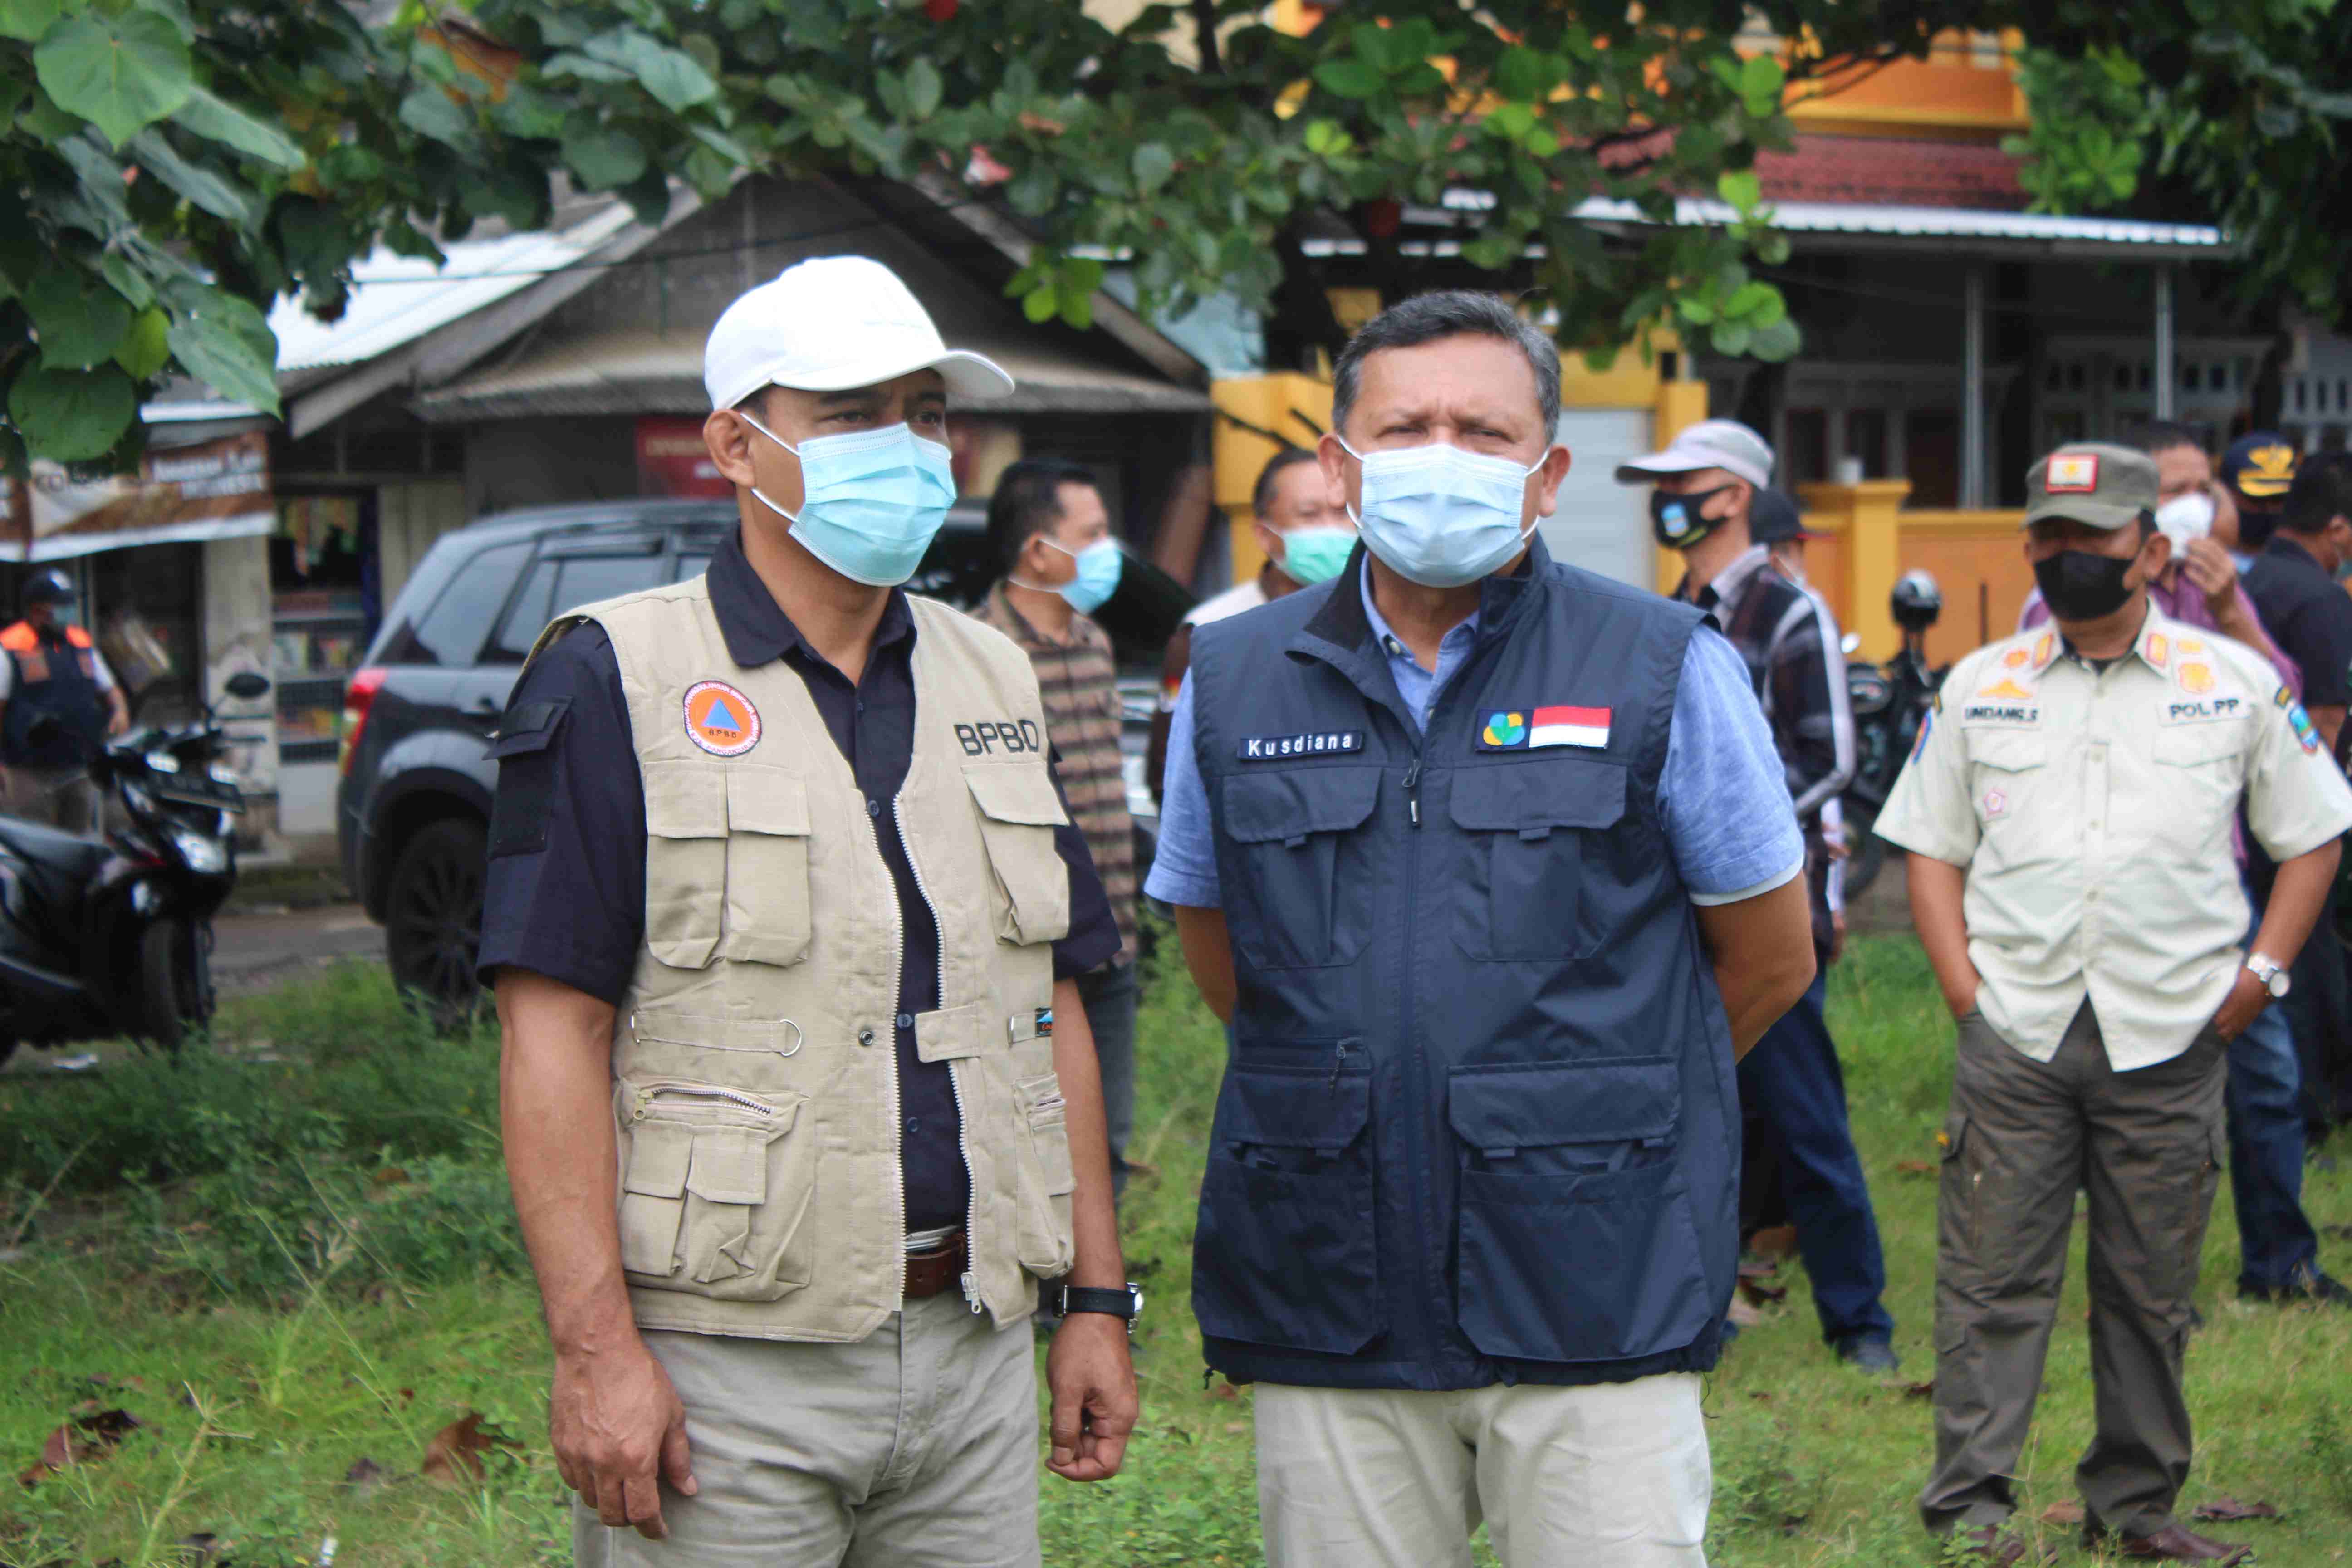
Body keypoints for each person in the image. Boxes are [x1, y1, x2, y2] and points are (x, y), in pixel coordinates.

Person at [480, 255, 1138, 1564]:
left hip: (973, 1346)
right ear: (736, 443)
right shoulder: (616, 675)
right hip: (730, 1373)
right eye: (852, 416)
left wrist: (1098, 1297)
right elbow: (553, 1034)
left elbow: (1049, 997)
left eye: (926, 412)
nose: (905, 447)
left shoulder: (991, 670)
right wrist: (597, 1352)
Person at [1147, 290, 1817, 1567]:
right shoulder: (1235, 679)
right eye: (1404, 428)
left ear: (1549, 472)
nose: (1443, 455)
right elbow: (1231, 959)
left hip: (1594, 1279)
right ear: (1342, 466)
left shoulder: (1663, 661)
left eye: (1484, 430)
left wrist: (1585, 1102)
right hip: (1329, 1281)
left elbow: (1771, 957)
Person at [1877, 441, 2352, 1567]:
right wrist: (1961, 990)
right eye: (2046, 536)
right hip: (2018, 1030)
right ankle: (1970, 1513)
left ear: (2147, 549)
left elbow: (2313, 832)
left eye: (2089, 538)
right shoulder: (1979, 681)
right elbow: (1930, 850)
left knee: (2149, 1285)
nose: (2063, 556)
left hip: (2173, 1031)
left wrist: (2260, 977)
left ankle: (2134, 1506)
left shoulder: (2230, 682)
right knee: (1990, 1277)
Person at [1618, 433, 1897, 1374]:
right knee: (1694, 1117)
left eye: (1679, 487)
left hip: (1772, 920)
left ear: (1733, 494)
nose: (1665, 502)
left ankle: (1860, 1324)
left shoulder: (1789, 611)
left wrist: (1711, 822)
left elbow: (1831, 760)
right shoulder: (1669, 616)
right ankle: (1701, 1313)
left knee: (1807, 1119)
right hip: (1676, 919)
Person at [974, 459, 1141, 1208]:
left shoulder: (1093, 642)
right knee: (1031, 1125)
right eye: (1094, 534)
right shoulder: (977, 653)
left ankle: (1101, 1297)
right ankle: (1041, 1296)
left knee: (1107, 1132)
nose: (1109, 550)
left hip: (1115, 937)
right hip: (1030, 952)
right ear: (1038, 550)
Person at [2242, 452, 2352, 1160]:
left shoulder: (2253, 582)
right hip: (2300, 820)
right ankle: (2316, 1109)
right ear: (2338, 528)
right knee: (2309, 964)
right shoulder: (2321, 600)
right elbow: (2326, 728)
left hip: (2242, 809)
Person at [1146, 446, 1356, 802]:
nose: (1332, 530)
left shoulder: (1387, 621)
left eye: (1342, 513)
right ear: (1264, 535)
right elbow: (1169, 775)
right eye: (1310, 514)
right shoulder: (1210, 632)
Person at [2020, 426, 2296, 686]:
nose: (2195, 505)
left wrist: (2230, 613)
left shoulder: (2206, 578)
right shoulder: (2080, 584)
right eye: (2176, 491)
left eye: (2203, 491)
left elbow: (2285, 693)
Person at [0, 568, 131, 833]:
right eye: (60, 606)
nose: (68, 611)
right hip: (28, 774)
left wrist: (120, 711)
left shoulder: (80, 643)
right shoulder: (10, 648)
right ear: (37, 610)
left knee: (78, 846)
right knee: (36, 844)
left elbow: (110, 689)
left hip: (78, 769)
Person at [2221, 431, 2298, 557]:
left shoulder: (2306, 567)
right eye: (2256, 499)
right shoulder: (2198, 565)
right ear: (2227, 494)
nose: (2269, 509)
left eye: (2278, 499)